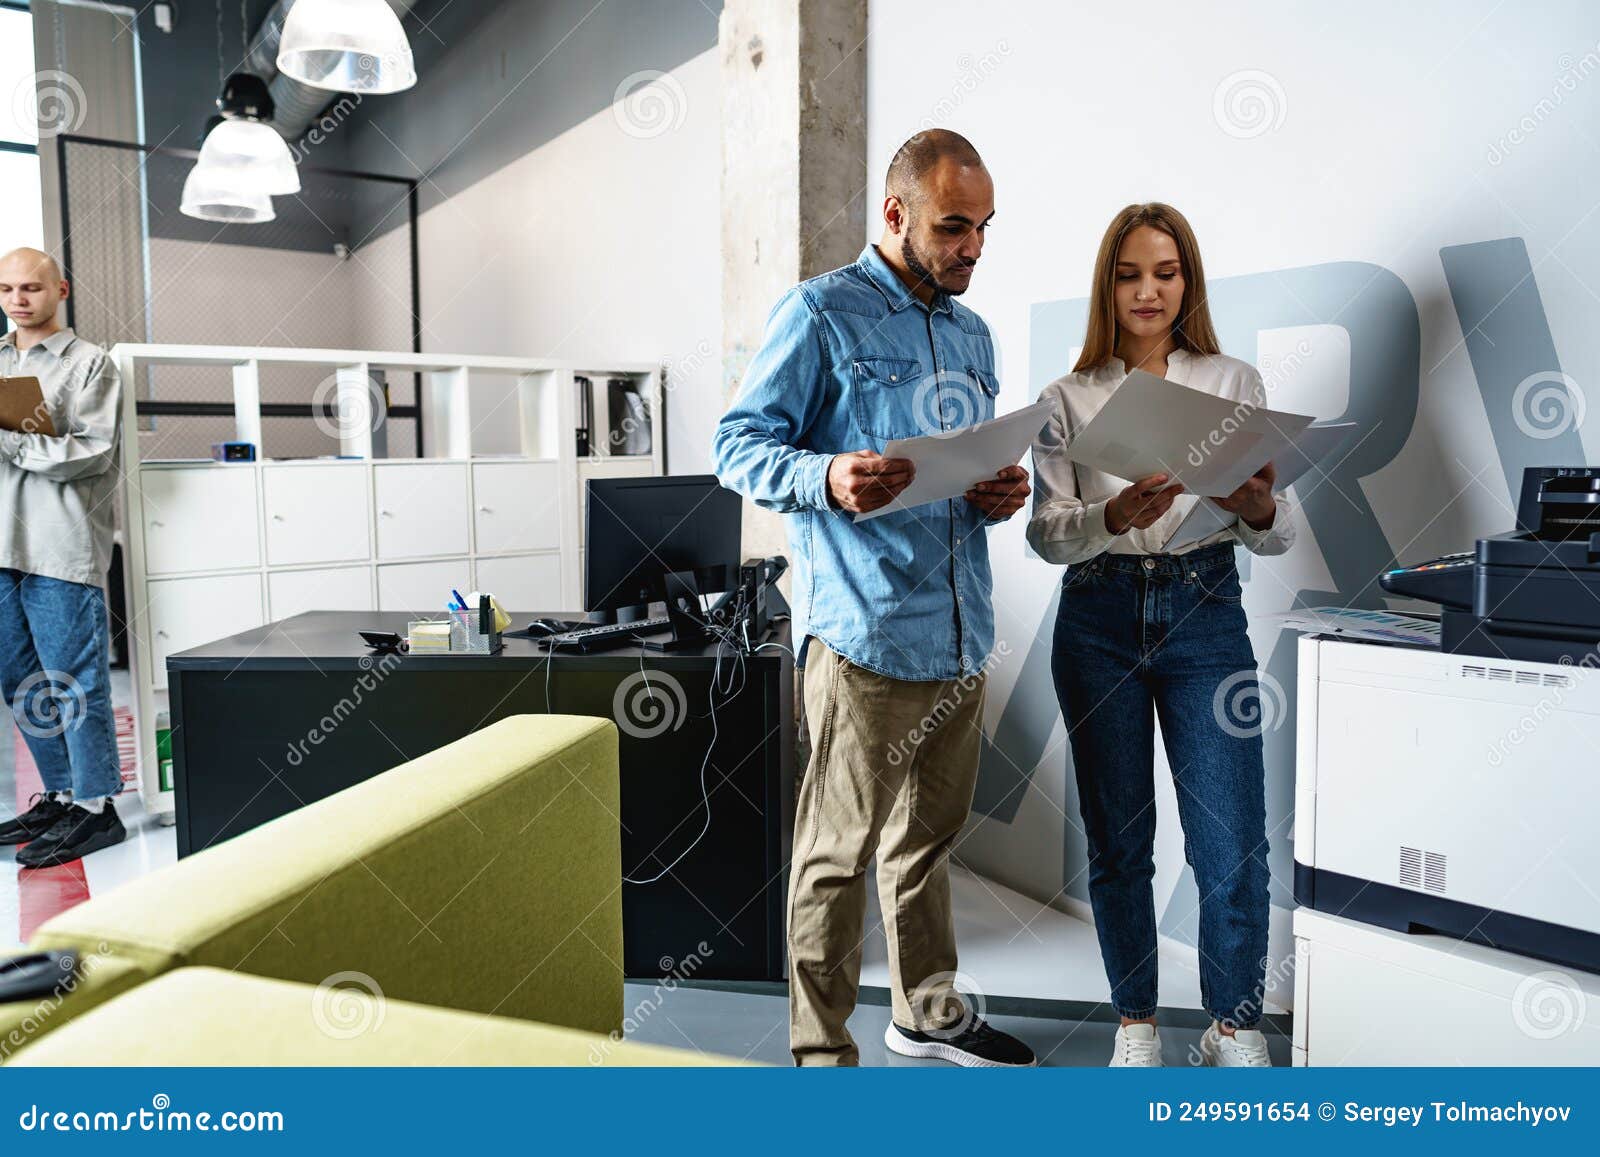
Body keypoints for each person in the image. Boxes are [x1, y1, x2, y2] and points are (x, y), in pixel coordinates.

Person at [713, 130, 1034, 1067]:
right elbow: (737, 444)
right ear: (895, 216)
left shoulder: (974, 335)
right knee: (835, 856)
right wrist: (824, 478)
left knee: (928, 847)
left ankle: (927, 1014)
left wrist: (1001, 494)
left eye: (983, 227)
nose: (973, 245)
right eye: (953, 226)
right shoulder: (820, 314)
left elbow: (969, 476)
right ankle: (821, 1055)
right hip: (865, 640)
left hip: (962, 634)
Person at [1027, 204, 1293, 1067]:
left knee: (1232, 834)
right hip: (1097, 614)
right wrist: (1111, 511)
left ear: (1190, 280)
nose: (1149, 290)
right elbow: (1046, 531)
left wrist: (1258, 507)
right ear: (1107, 284)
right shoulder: (1065, 398)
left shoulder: (1232, 381)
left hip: (1203, 608)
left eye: (1167, 272)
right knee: (1119, 838)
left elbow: (1276, 531)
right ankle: (1135, 1021)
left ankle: (1233, 1024)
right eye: (1130, 273)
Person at [0, 247, 127, 867]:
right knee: (20, 682)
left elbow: (93, 452)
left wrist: (12, 439)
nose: (18, 300)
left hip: (59, 545)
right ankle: (58, 795)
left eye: (30, 288)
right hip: (1, 545)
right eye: (6, 289)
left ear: (61, 290)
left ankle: (98, 808)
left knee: (72, 682)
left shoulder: (90, 365)